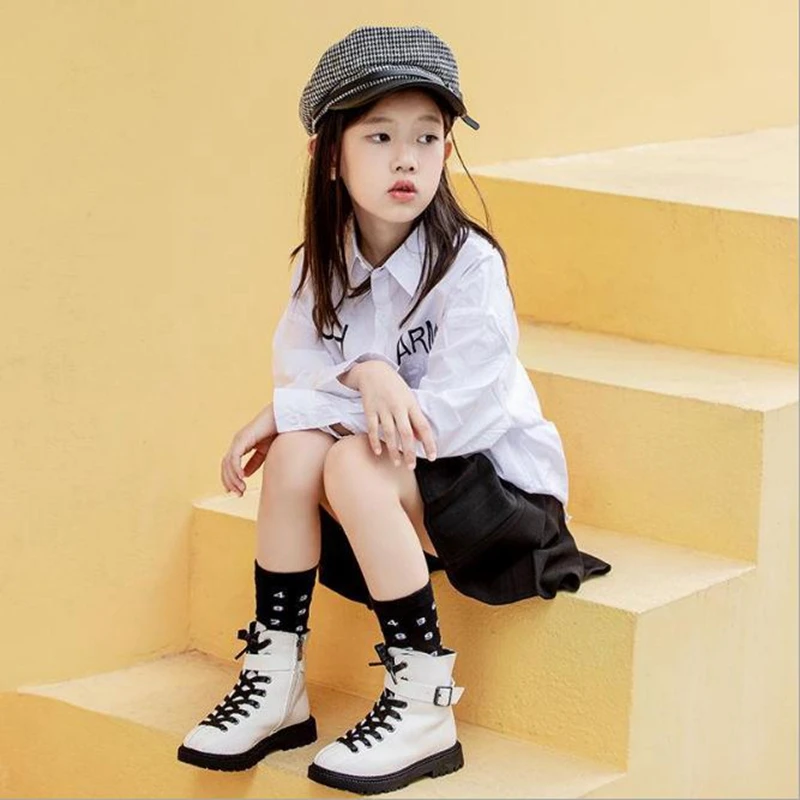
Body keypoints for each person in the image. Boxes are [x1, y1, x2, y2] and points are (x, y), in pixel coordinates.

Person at [176, 24, 612, 794]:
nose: (406, 159)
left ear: (447, 150)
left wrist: (358, 379)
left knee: (348, 454)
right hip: (401, 496)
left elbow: (453, 421)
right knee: (298, 450)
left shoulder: (470, 266)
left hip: (501, 502)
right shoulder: (320, 264)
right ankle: (277, 679)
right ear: (329, 154)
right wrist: (318, 397)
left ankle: (423, 701)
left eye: (427, 137)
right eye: (379, 136)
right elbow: (304, 373)